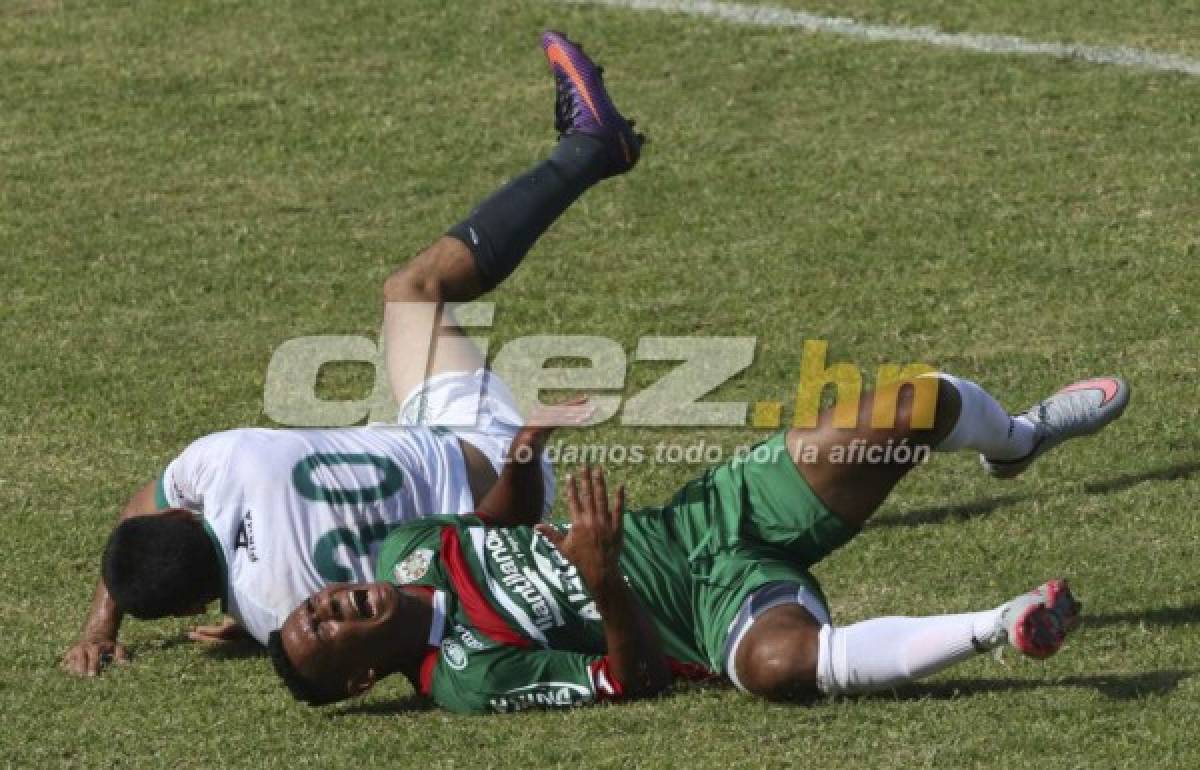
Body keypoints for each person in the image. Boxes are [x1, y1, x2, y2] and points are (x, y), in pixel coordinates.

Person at [267, 34, 1131, 714]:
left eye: (318, 605)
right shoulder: (465, 676)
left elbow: (493, 526)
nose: (334, 606)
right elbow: (630, 682)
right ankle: (1005, 624)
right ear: (360, 681)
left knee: (917, 403)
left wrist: (524, 456)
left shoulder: (404, 550)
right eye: (328, 631)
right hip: (714, 616)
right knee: (777, 668)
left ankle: (1015, 439)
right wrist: (602, 584)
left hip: (704, 519)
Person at [58, 25, 644, 676]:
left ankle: (595, 145)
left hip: (496, 509)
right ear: (178, 513)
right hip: (481, 454)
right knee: (413, 290)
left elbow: (289, 608)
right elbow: (136, 512)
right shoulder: (218, 462)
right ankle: (591, 147)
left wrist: (241, 617)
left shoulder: (273, 614)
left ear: (196, 603)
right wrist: (99, 620)